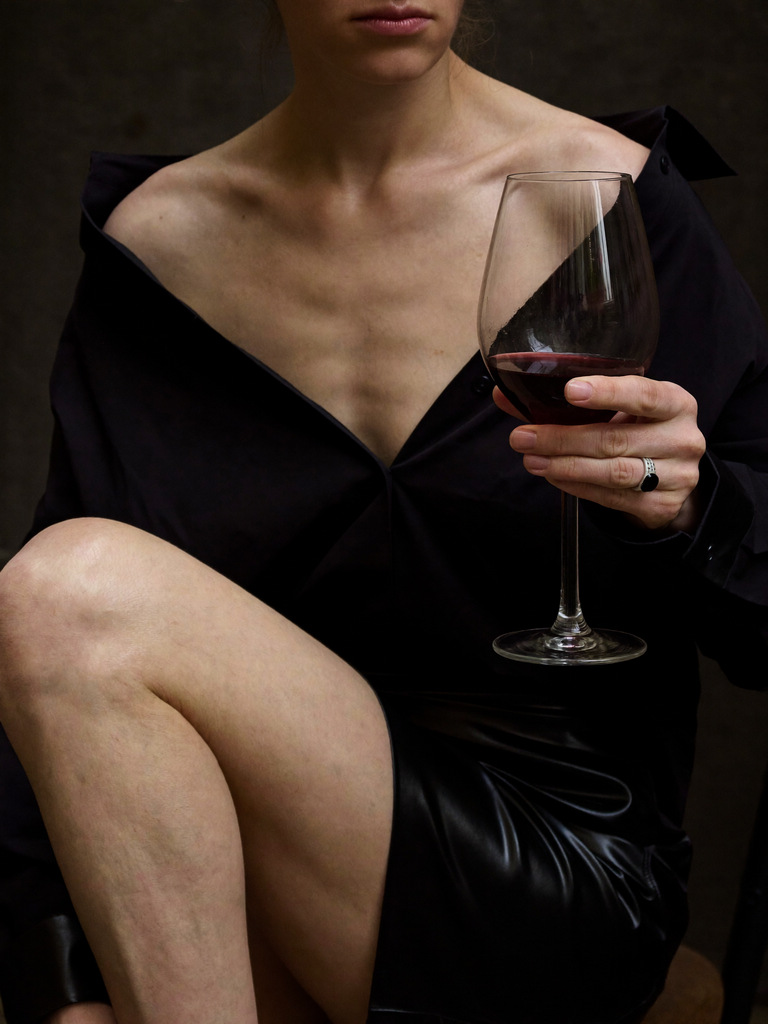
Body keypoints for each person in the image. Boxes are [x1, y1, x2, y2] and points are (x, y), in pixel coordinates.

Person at [0, 2, 766, 1024]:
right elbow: (51, 689)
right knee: (55, 605)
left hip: (556, 859)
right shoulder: (162, 241)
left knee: (66, 587)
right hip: (243, 869)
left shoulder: (603, 194)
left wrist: (692, 507)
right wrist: (58, 981)